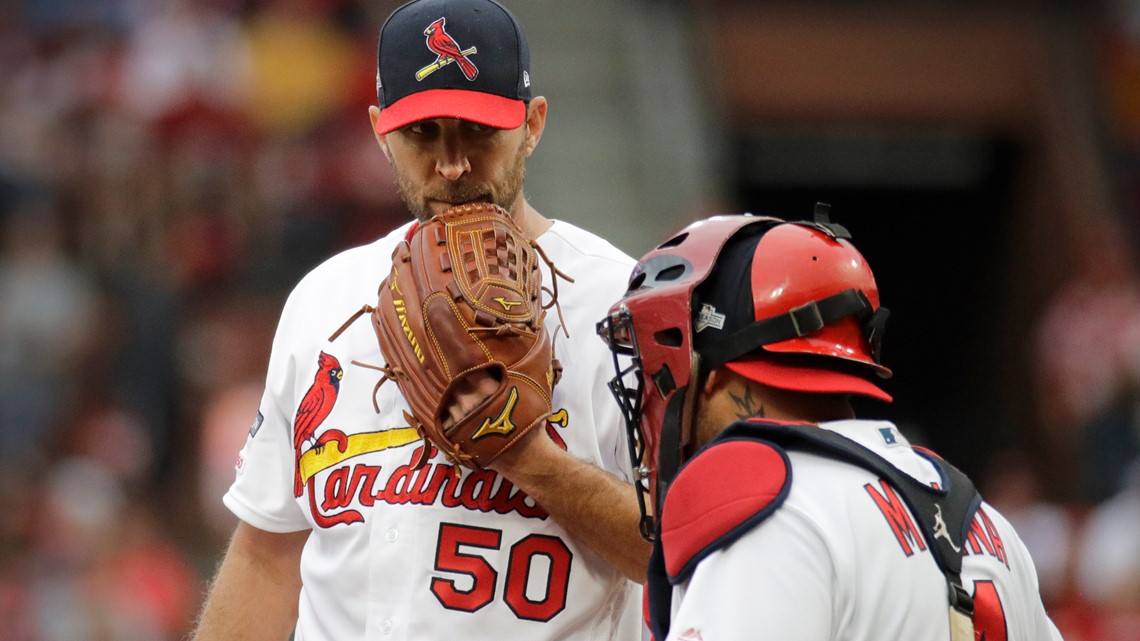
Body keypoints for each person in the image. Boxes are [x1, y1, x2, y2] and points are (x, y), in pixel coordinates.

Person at [190, 1, 649, 639]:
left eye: (478, 131)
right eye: (423, 134)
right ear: (380, 130)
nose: (452, 164)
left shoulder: (625, 311)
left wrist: (531, 462)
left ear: (533, 124)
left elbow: (680, 556)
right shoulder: (325, 300)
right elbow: (266, 555)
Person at [597, 210, 1064, 640]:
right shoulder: (987, 522)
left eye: (661, 366)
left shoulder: (764, 506)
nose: (653, 396)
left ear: (715, 376)